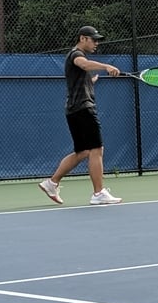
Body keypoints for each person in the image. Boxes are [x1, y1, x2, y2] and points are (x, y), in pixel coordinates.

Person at [39, 26, 123, 205]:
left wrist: (90, 81)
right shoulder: (76, 54)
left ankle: (51, 183)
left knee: (83, 151)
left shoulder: (75, 58)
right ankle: (98, 193)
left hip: (73, 110)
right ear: (83, 38)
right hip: (83, 109)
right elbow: (84, 64)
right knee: (97, 149)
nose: (96, 43)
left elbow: (78, 78)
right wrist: (106, 66)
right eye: (94, 39)